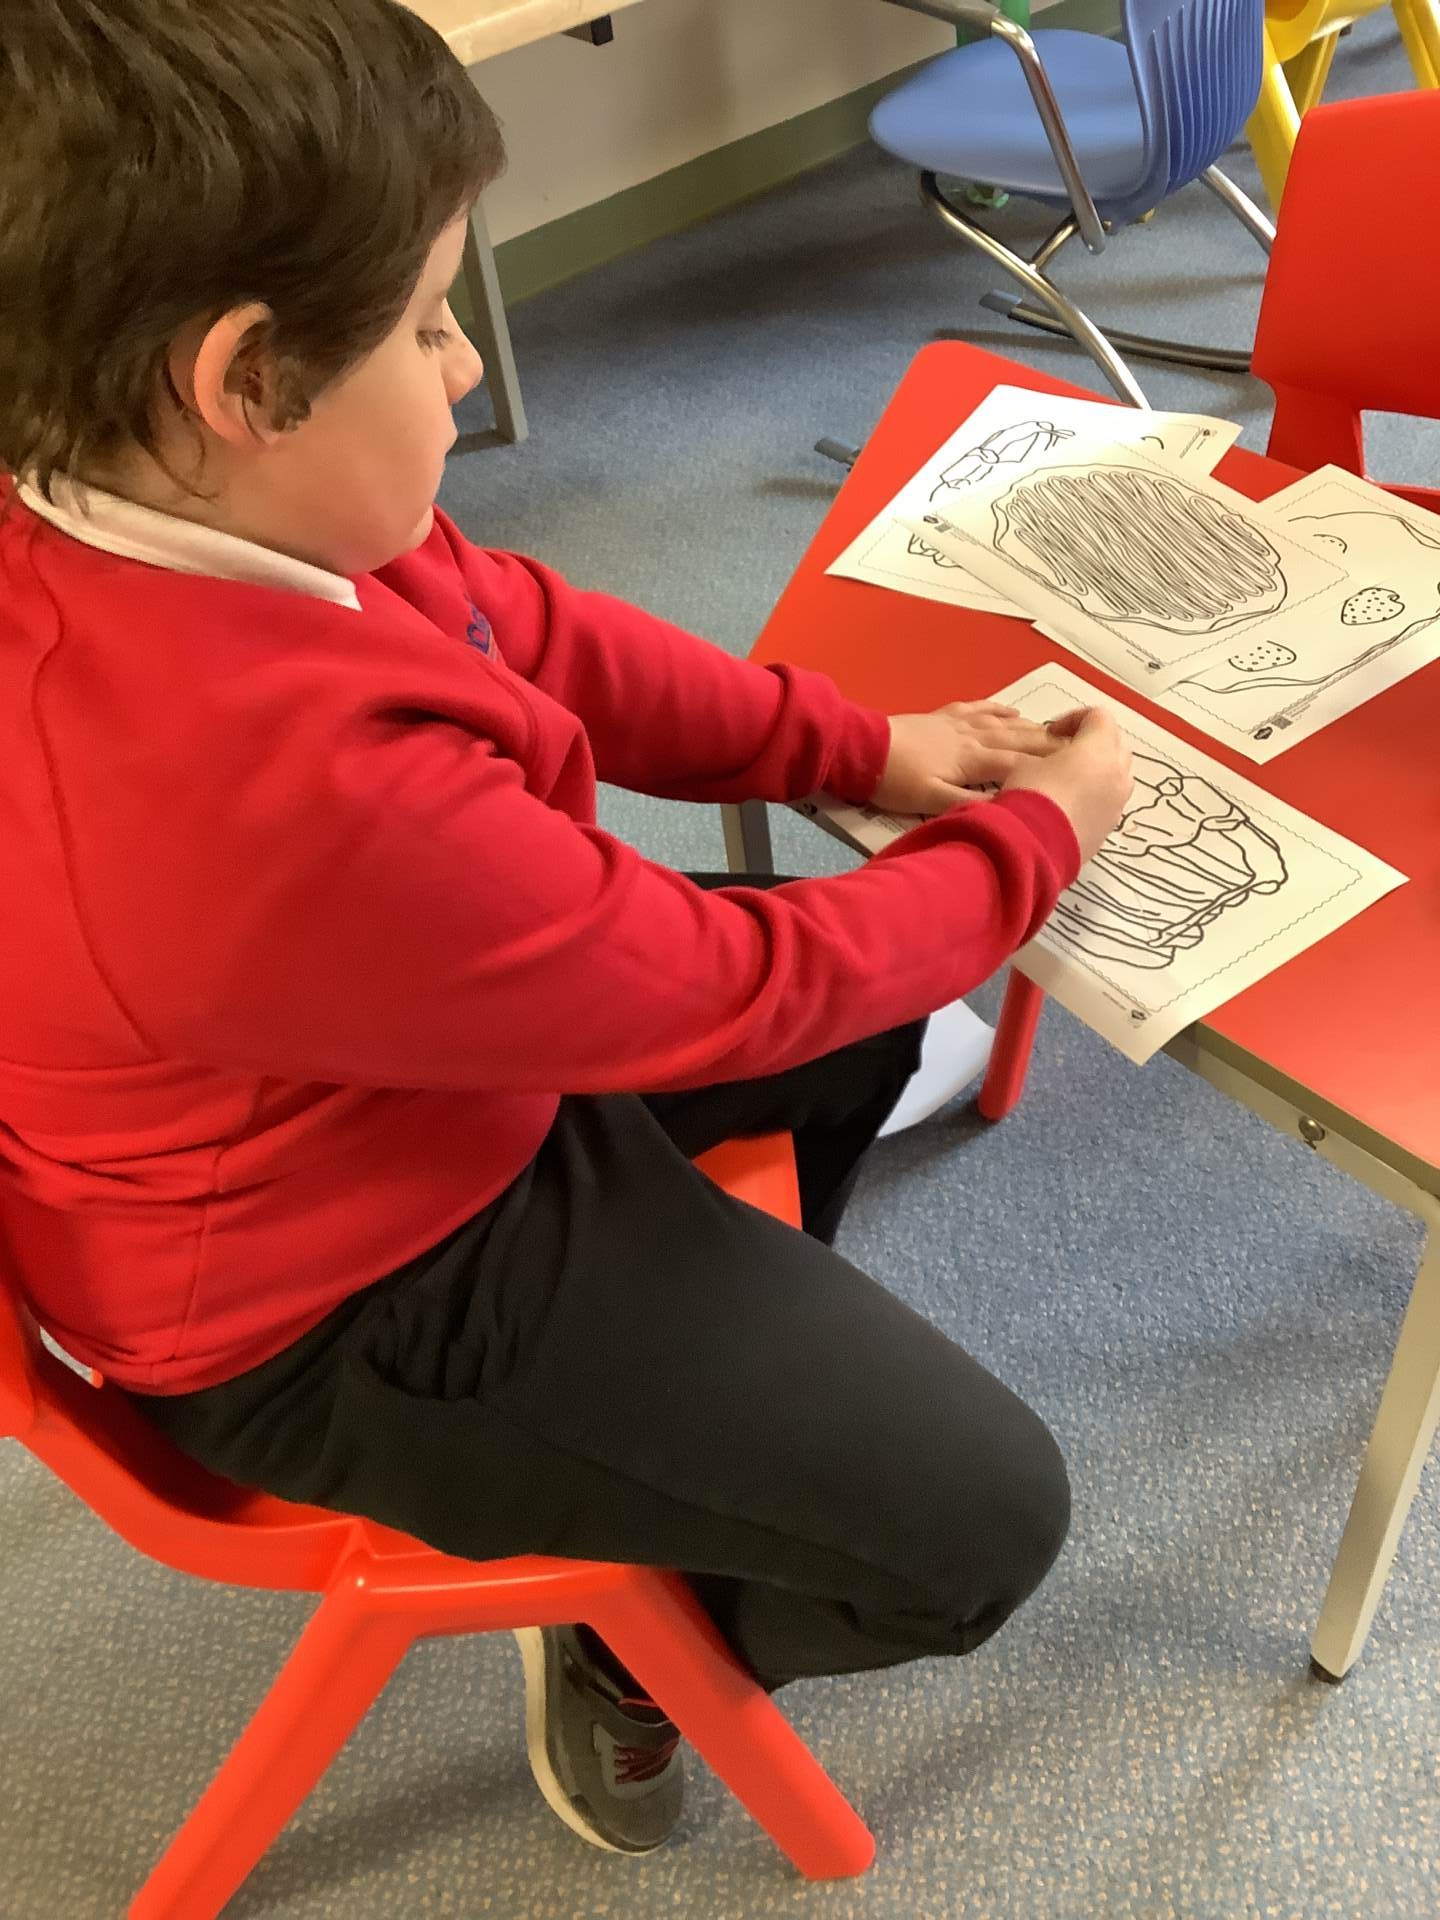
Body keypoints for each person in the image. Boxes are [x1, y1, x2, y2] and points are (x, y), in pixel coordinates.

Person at [0, 0, 1133, 1861]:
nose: (463, 368)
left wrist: (859, 742)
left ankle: (686, 1419)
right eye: (429, 324)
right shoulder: (257, 793)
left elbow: (513, 621)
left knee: (855, 1008)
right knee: (984, 1524)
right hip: (335, 1296)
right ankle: (634, 1637)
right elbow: (732, 991)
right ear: (241, 377)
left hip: (387, 1095)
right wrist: (1039, 837)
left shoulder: (168, 497)